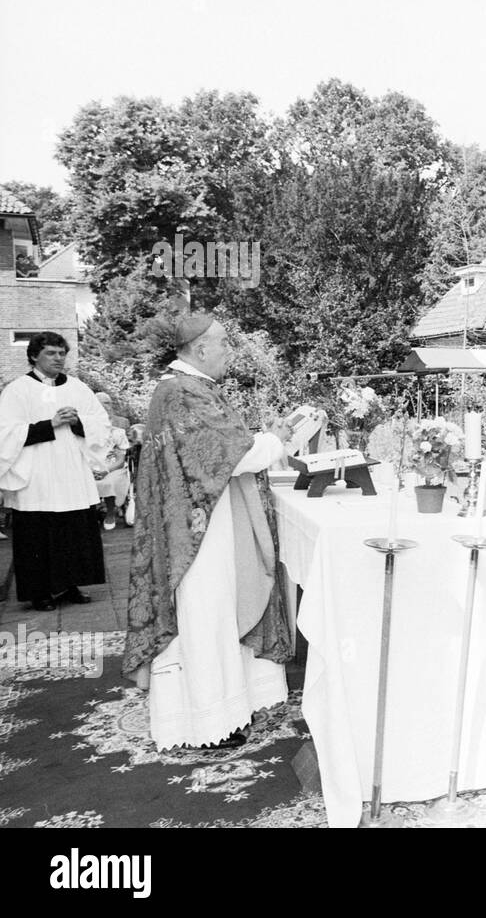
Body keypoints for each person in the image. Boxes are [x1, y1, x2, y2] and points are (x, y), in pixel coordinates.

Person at [124, 313, 295, 751]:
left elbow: (220, 449)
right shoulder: (182, 392)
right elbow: (229, 458)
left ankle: (232, 706)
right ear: (200, 349)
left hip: (206, 520)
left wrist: (266, 439)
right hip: (198, 532)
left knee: (220, 610)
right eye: (224, 343)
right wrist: (276, 439)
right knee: (207, 613)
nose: (230, 351)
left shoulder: (188, 389)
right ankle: (208, 720)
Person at [0, 332, 110, 610]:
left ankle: (70, 585)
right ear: (34, 355)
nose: (58, 358)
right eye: (51, 353)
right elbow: (5, 433)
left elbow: (101, 422)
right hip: (37, 474)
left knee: (72, 531)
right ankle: (40, 593)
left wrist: (78, 421)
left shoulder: (77, 387)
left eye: (62, 353)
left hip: (71, 471)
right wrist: (50, 424)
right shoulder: (18, 390)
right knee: (38, 534)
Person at [93, 393, 132, 530]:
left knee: (108, 482)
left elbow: (122, 457)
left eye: (107, 403)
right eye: (100, 403)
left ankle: (110, 513)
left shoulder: (119, 429)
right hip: (91, 465)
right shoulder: (86, 430)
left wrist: (105, 470)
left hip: (113, 465)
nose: (104, 407)